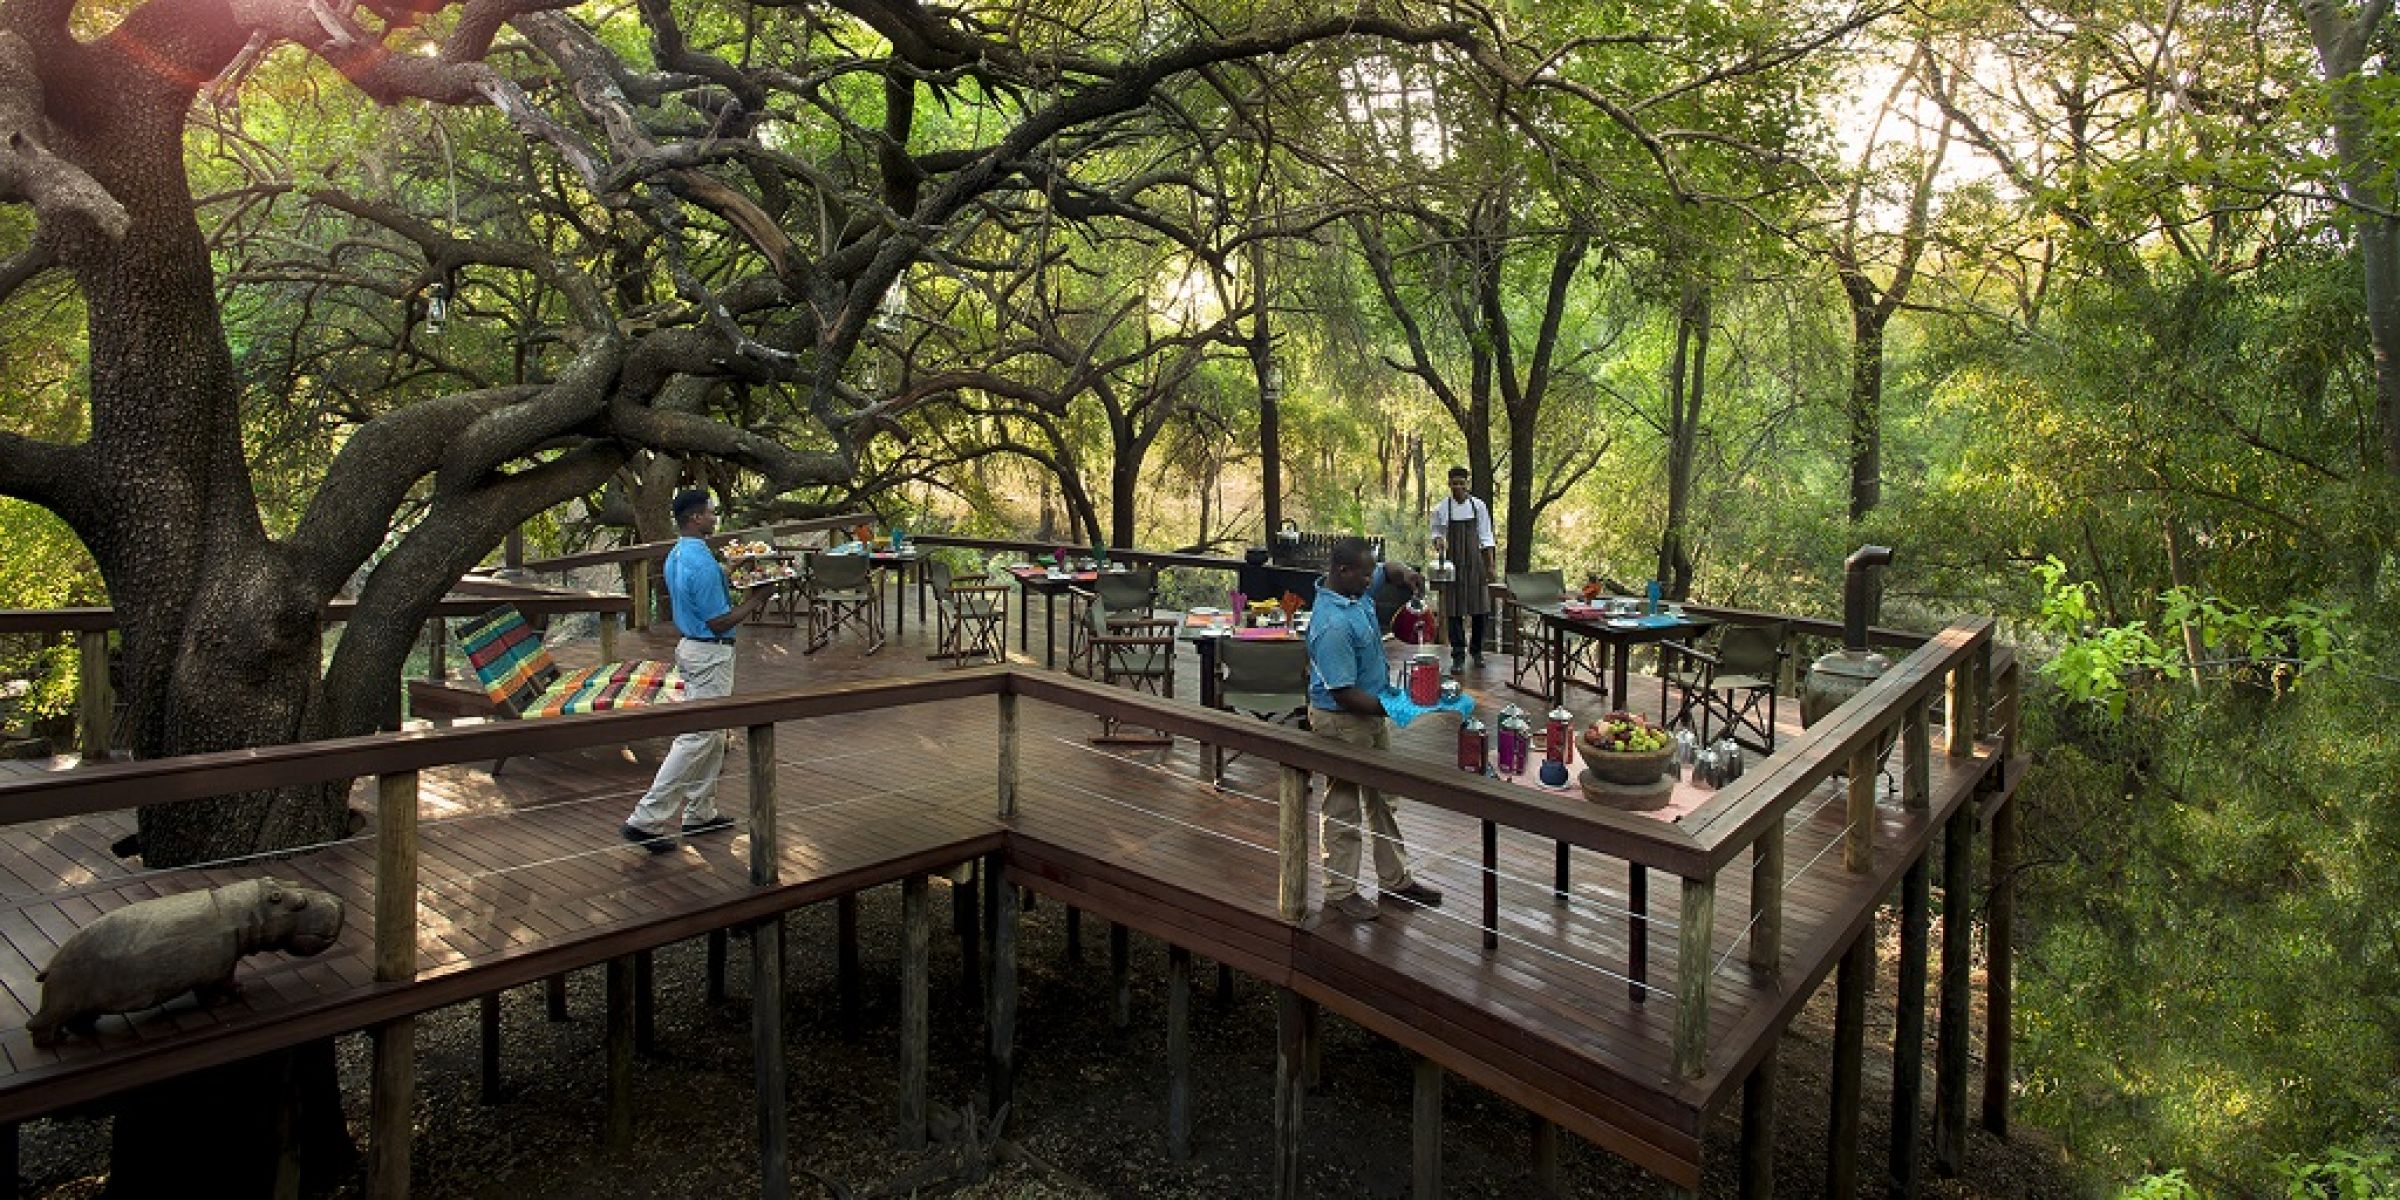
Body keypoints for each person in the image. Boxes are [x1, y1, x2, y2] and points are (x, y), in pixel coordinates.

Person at [622, 488, 770, 853]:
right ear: (695, 517)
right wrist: (757, 600)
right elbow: (718, 621)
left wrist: (731, 569)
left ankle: (700, 813)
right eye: (710, 512)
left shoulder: (681, 553)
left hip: (693, 648)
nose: (714, 517)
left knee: (714, 734)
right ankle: (645, 819)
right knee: (698, 737)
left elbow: (703, 585)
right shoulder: (700, 562)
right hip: (709, 652)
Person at [1304, 538, 1444, 922]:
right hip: (1341, 720)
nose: (1372, 580)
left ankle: (1395, 880)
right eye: (1365, 574)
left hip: (1371, 713)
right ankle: (1340, 891)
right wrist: (1399, 707)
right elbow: (1343, 693)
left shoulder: (1356, 589)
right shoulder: (1331, 625)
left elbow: (1390, 571)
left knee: (1384, 797)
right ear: (1342, 570)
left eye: (1371, 572)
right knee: (1343, 806)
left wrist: (1408, 574)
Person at [1430, 466, 1497, 671]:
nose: (1458, 487)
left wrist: (1490, 566)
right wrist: (1438, 541)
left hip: (1476, 563)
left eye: (1461, 483)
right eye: (1454, 483)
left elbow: (1486, 537)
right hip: (1453, 564)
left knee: (1480, 609)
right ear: (1449, 484)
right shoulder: (1442, 508)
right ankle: (1458, 655)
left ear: (1467, 484)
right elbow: (1436, 533)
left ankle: (1476, 651)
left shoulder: (1478, 506)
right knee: (1454, 611)